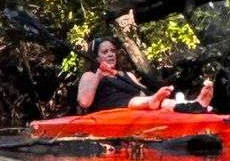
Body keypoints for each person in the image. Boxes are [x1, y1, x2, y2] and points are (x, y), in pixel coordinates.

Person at [77, 37, 215, 115]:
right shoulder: (89, 75)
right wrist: (99, 75)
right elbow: (84, 102)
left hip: (139, 105)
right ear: (96, 58)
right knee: (140, 100)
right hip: (111, 109)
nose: (110, 54)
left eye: (112, 51)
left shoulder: (127, 74)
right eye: (105, 52)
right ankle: (154, 102)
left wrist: (159, 100)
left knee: (161, 102)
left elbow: (143, 92)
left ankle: (196, 104)